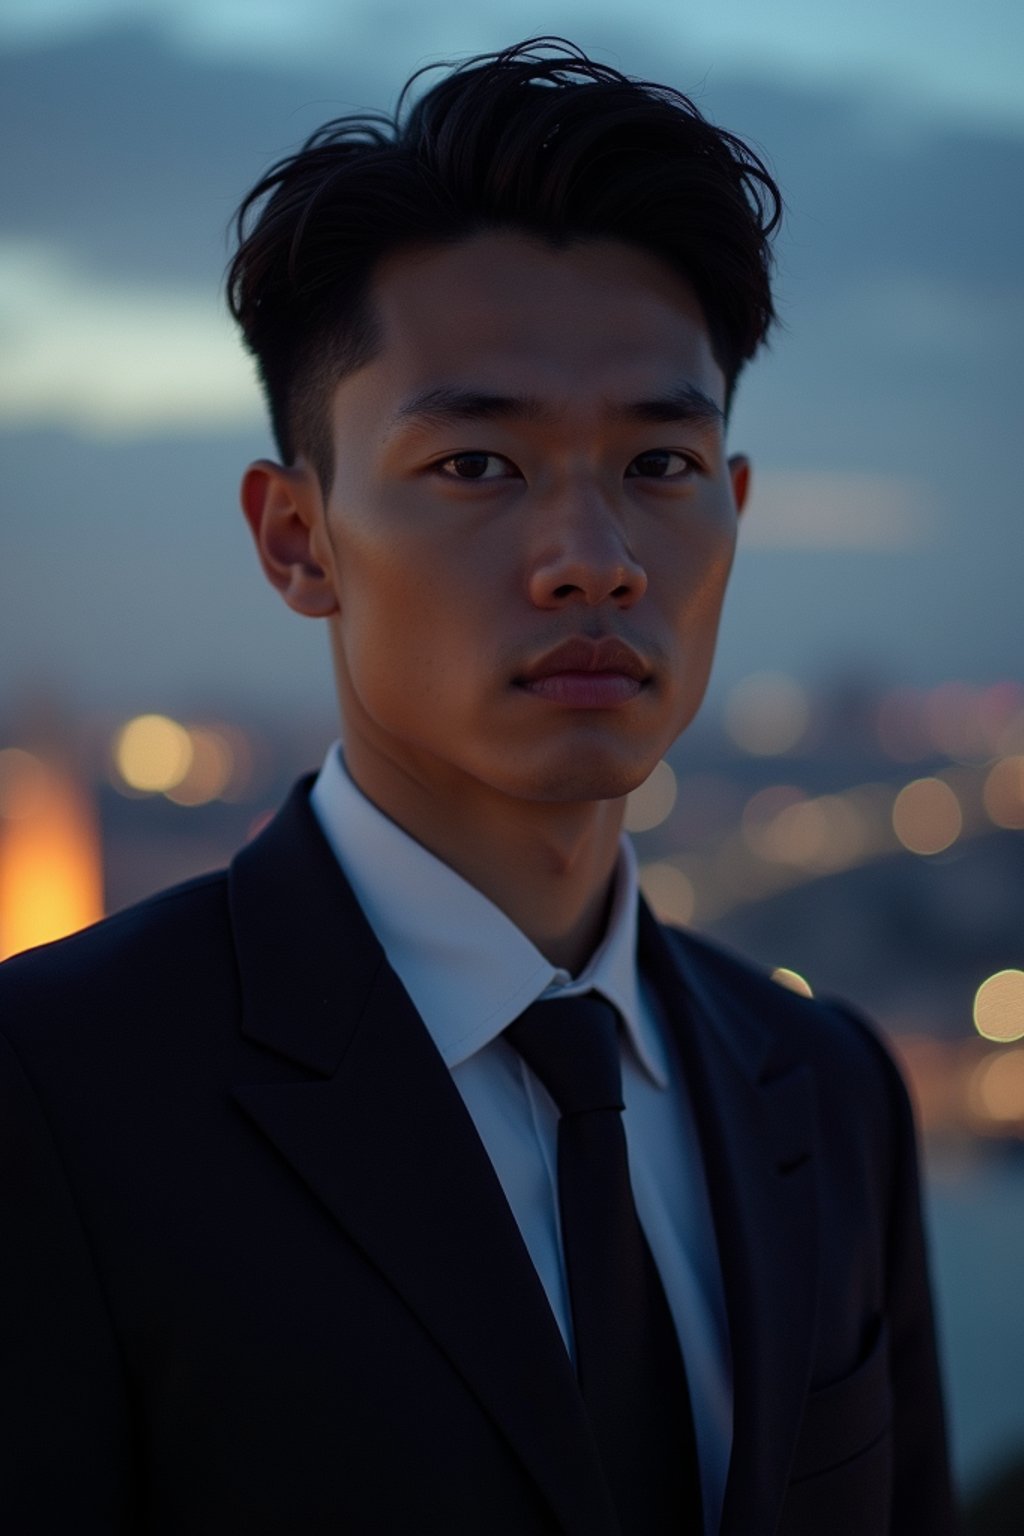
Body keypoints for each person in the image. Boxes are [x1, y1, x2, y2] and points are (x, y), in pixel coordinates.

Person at [0, 38, 957, 1536]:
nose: (596, 555)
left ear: (736, 511)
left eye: (659, 461)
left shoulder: (828, 1091)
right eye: (478, 466)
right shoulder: (50, 1099)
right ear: (296, 538)